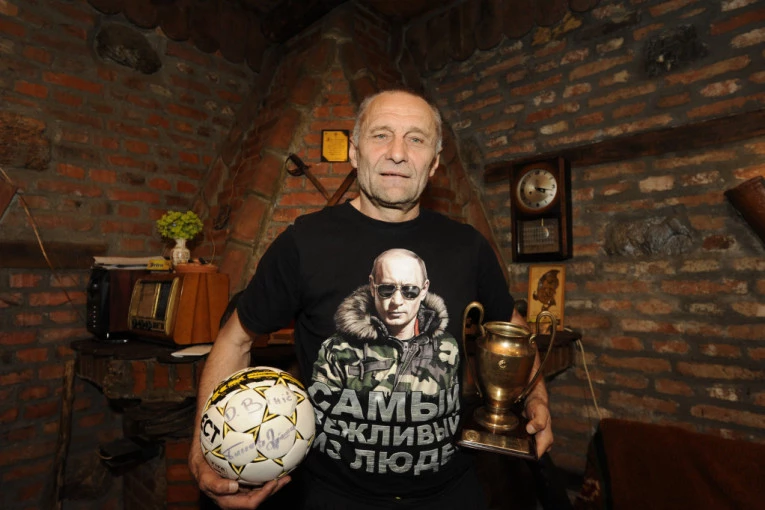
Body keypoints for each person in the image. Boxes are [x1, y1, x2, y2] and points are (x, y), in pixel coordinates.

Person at [189, 89, 553, 510]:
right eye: (381, 135)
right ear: (354, 151)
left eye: (416, 139)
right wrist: (202, 448)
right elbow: (235, 339)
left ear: (434, 162)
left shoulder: (468, 247)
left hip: (450, 494)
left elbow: (514, 330)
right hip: (330, 497)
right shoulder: (303, 243)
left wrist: (537, 398)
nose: (397, 153)